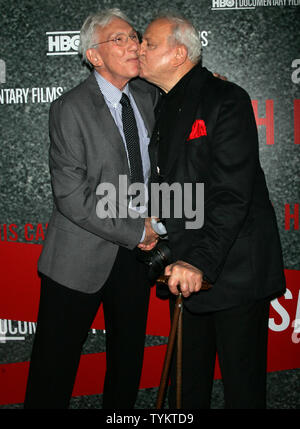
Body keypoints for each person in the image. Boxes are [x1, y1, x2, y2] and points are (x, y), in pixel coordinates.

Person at [139, 12, 286, 409]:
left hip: (234, 272)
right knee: (187, 392)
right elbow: (178, 181)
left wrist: (197, 262)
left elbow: (232, 195)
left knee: (242, 391)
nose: (139, 49)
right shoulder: (164, 105)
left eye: (149, 44)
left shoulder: (226, 98)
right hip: (188, 272)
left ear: (179, 53)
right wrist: (155, 222)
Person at [24, 8, 159, 409]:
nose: (133, 44)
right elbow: (70, 197)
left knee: (127, 362)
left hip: (136, 259)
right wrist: (138, 231)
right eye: (120, 39)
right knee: (54, 367)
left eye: (133, 36)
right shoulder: (70, 108)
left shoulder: (150, 96)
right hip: (79, 257)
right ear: (95, 56)